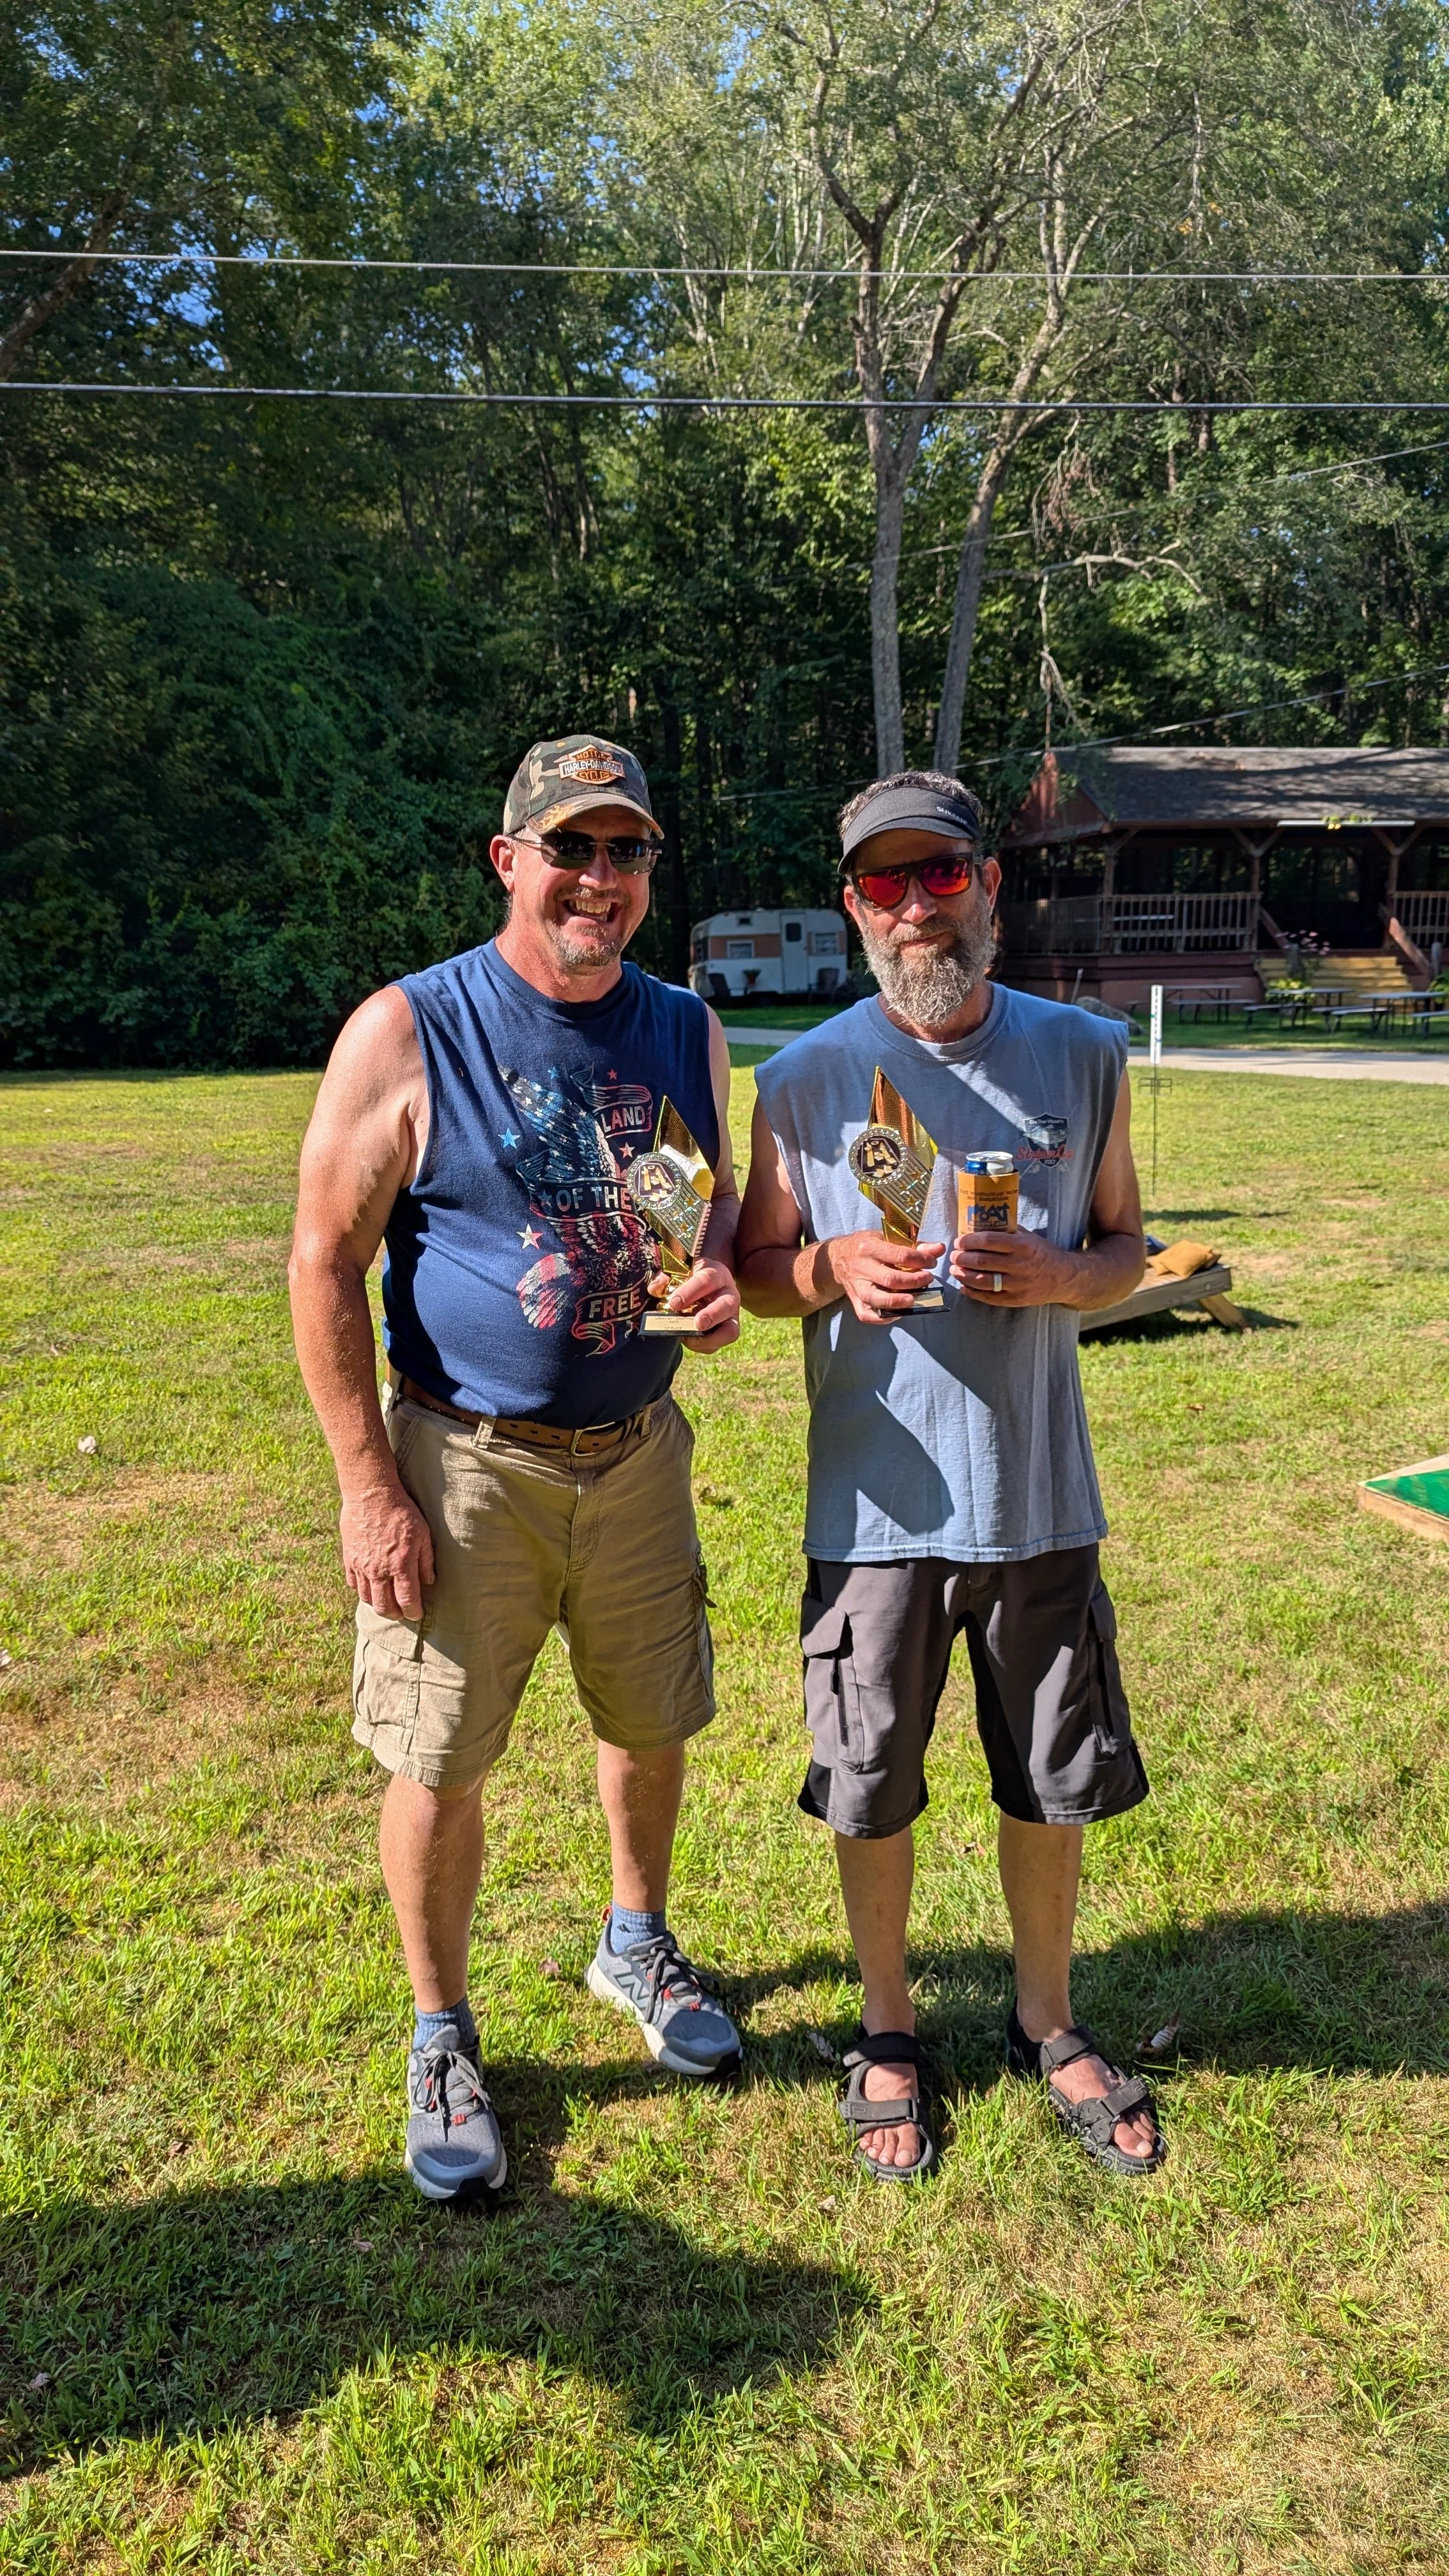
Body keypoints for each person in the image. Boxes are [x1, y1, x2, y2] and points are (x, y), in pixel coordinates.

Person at [289, 735, 743, 2204]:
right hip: (464, 1462)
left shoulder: (687, 1027)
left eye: (626, 852)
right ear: (509, 862)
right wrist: (370, 1486)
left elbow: (706, 1210)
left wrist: (718, 1279)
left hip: (638, 1452)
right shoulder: (411, 1028)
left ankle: (636, 1941)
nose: (599, 879)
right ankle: (441, 2032)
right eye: (571, 848)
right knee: (439, 1759)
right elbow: (324, 1258)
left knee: (651, 1720)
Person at [735, 769, 1165, 2184]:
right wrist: (828, 1266)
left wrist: (1063, 1276)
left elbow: (1128, 1246)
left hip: (1038, 1494)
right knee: (871, 1781)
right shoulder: (804, 1081)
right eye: (885, 882)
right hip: (875, 1508)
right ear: (854, 907)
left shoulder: (1085, 1054)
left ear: (989, 887)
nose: (915, 907)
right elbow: (756, 1268)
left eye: (940, 876)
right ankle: (889, 2023)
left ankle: (1046, 2018)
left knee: (1050, 1777)